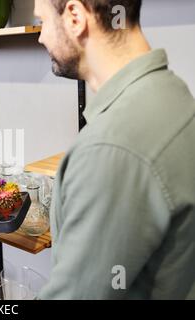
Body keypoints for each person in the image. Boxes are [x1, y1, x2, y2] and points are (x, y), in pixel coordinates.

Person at [34, 0, 195, 299]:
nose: (41, 36)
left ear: (75, 17)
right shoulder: (173, 94)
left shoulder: (110, 149)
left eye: (42, 21)